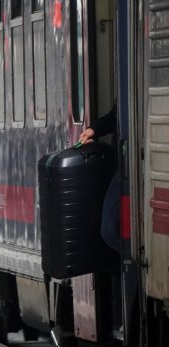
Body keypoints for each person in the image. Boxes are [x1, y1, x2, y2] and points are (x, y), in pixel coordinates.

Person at [78, 103, 120, 252]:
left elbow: (113, 117)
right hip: (123, 171)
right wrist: (92, 130)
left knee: (109, 232)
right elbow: (113, 117)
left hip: (124, 173)